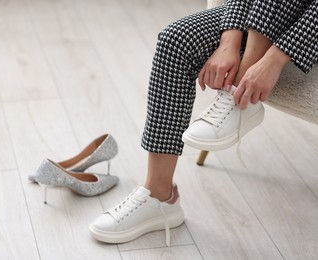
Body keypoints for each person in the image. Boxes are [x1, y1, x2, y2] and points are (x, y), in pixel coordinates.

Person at [89, 0, 318, 246]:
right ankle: (159, 196)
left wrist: (273, 60)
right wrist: (228, 43)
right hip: (269, 12)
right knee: (176, 41)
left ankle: (241, 95)